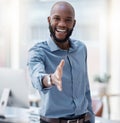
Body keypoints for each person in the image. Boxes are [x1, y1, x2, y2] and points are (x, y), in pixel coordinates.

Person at [27, 1, 95, 123]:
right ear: (49, 20)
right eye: (57, 18)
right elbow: (36, 77)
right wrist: (51, 79)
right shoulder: (38, 51)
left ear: (74, 23)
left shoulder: (81, 49)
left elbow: (85, 89)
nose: (62, 24)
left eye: (68, 20)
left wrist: (92, 119)